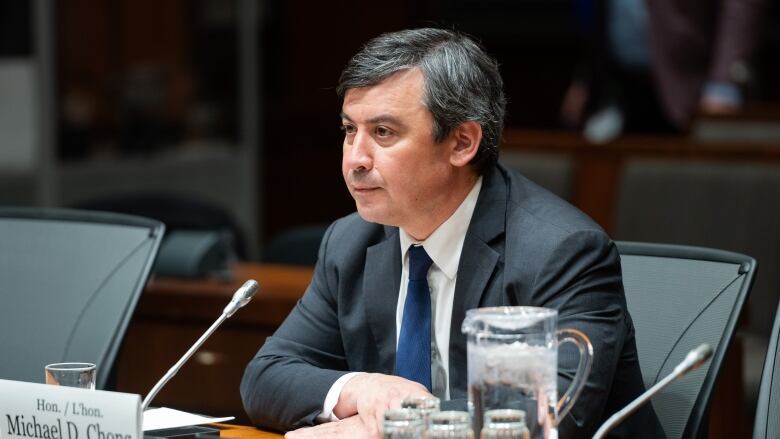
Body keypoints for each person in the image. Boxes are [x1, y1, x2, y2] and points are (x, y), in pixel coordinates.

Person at [241, 28, 663, 438]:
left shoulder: (561, 251)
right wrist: (364, 389)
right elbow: (266, 377)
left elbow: (548, 417)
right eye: (350, 130)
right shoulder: (351, 242)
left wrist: (393, 426)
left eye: (383, 132)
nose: (355, 159)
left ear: (462, 143)